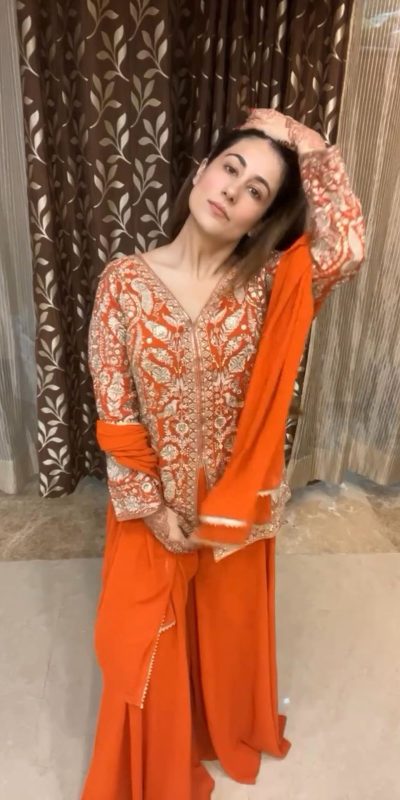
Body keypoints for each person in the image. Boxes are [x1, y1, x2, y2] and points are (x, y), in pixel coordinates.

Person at [81, 108, 365, 799]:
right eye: (230, 168)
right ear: (199, 173)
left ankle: (218, 724)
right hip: (152, 508)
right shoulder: (123, 283)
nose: (234, 189)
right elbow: (116, 415)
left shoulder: (266, 286)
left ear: (259, 218)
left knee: (227, 638)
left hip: (234, 513)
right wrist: (151, 509)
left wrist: (306, 144)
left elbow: (347, 248)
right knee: (140, 653)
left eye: (257, 191)